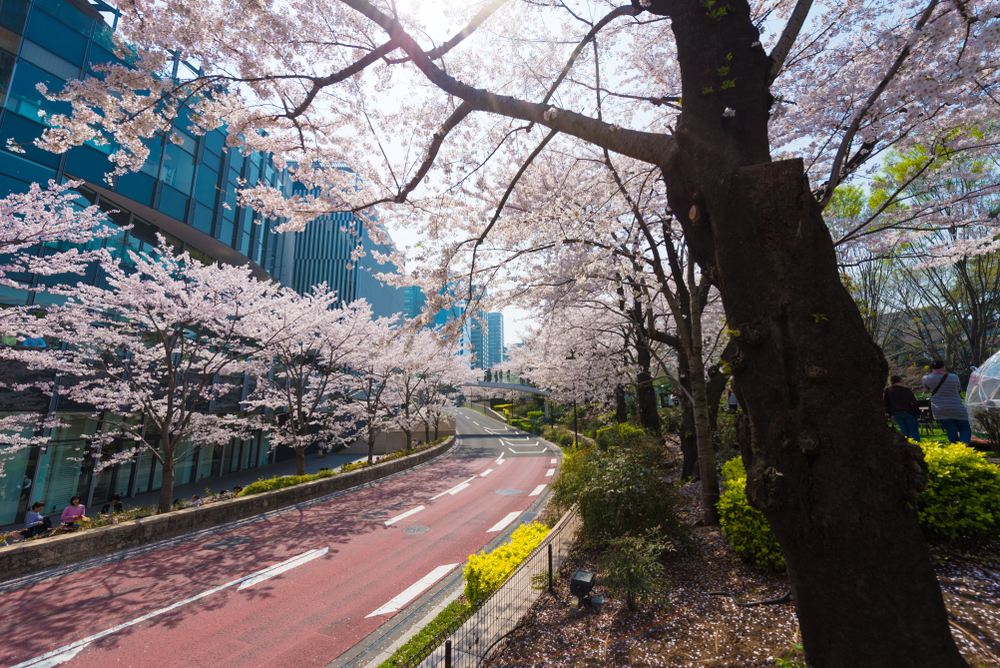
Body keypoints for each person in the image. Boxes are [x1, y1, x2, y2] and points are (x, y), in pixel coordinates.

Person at [923, 360, 971, 444]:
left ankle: (955, 449)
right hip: (956, 406)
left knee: (950, 429)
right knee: (964, 428)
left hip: (939, 407)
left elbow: (928, 390)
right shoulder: (954, 377)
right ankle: (964, 447)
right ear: (943, 366)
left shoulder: (926, 378)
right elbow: (958, 388)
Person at [884, 375, 921, 442]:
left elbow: (886, 402)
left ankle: (905, 445)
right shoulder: (905, 390)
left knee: (904, 432)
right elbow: (913, 401)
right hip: (909, 413)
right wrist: (917, 412)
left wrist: (889, 413)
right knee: (914, 432)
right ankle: (916, 446)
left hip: (896, 413)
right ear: (901, 381)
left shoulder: (888, 390)